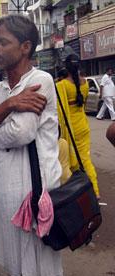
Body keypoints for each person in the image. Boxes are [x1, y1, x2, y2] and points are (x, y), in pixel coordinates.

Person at [0, 15, 66, 276]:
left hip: (35, 197)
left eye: (3, 42)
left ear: (25, 47)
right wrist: (10, 104)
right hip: (8, 197)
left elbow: (19, 134)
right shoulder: (1, 89)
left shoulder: (40, 80)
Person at [56, 54, 100, 198]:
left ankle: (94, 190)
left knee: (79, 160)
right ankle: (86, 190)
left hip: (72, 127)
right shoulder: (85, 83)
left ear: (66, 67)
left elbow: (58, 110)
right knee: (84, 157)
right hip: (83, 124)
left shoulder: (62, 85)